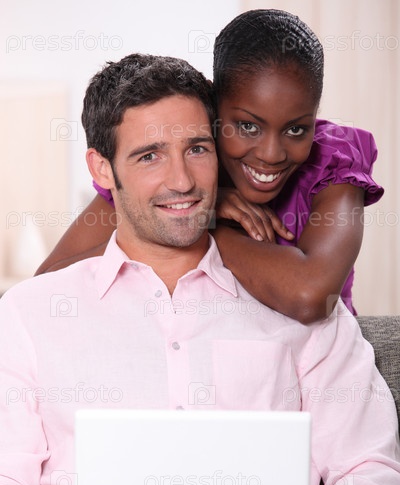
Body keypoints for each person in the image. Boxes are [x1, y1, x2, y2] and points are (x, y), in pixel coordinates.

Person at [0, 53, 398, 485]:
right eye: (149, 156)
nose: (182, 180)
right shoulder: (30, 313)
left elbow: (372, 471)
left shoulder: (300, 311)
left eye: (197, 149)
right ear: (102, 170)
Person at [34, 9, 383, 324]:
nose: (272, 154)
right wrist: (194, 211)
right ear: (214, 107)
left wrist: (198, 226)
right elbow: (47, 284)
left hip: (318, 360)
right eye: (248, 126)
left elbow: (309, 295)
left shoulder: (333, 161)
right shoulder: (180, 166)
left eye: (296, 129)